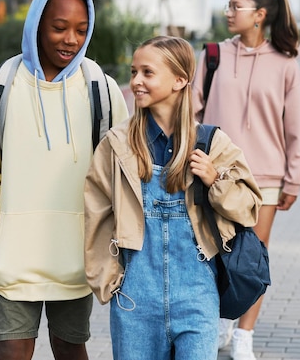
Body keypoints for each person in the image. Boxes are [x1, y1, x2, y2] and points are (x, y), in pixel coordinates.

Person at [0, 0, 129, 360]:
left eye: (80, 30)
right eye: (59, 27)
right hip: (14, 261)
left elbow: (123, 172)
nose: (70, 39)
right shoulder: (0, 84)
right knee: (11, 352)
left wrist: (109, 245)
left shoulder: (99, 88)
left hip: (77, 258)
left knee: (71, 350)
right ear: (37, 23)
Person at [83, 35, 262, 360]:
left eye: (147, 73)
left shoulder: (212, 143)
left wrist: (214, 179)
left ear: (180, 80)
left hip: (197, 297)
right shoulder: (117, 145)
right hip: (135, 298)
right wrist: (108, 281)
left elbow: (249, 209)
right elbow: (96, 212)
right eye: (134, 71)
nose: (135, 81)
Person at [192, 0, 300, 359]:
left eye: (235, 6)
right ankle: (222, 320)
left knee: (250, 256)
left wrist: (293, 177)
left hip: (266, 179)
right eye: (228, 5)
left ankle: (245, 336)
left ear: (259, 15)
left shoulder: (287, 64)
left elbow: (294, 127)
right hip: (213, 173)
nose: (228, 12)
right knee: (210, 250)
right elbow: (191, 112)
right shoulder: (211, 56)